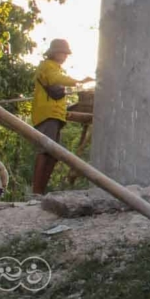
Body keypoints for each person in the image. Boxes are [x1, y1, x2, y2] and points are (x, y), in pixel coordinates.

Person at [31, 39, 93, 195]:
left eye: (66, 54)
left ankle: (41, 192)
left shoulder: (56, 69)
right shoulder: (47, 67)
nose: (65, 56)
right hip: (47, 115)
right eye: (63, 53)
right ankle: (36, 191)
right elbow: (55, 79)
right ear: (55, 52)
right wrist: (78, 81)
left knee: (53, 154)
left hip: (56, 116)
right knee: (45, 152)